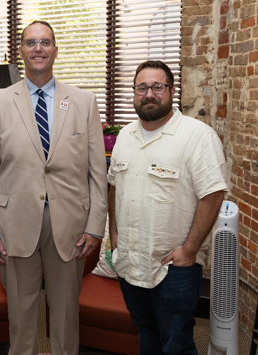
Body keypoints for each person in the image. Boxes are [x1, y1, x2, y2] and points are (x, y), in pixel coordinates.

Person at [0, 20, 108, 355]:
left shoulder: (84, 101)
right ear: (21, 51)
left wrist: (95, 228)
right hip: (14, 223)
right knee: (20, 315)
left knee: (66, 314)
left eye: (45, 42)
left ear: (55, 50)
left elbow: (97, 172)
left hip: (69, 225)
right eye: (31, 42)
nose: (38, 48)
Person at [108, 60, 228, 354]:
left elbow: (213, 195)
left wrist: (189, 250)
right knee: (147, 333)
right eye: (142, 87)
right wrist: (114, 238)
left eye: (157, 87)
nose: (149, 94)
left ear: (172, 91)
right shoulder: (125, 135)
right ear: (134, 93)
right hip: (131, 263)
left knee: (177, 344)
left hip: (173, 267)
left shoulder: (197, 136)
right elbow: (113, 187)